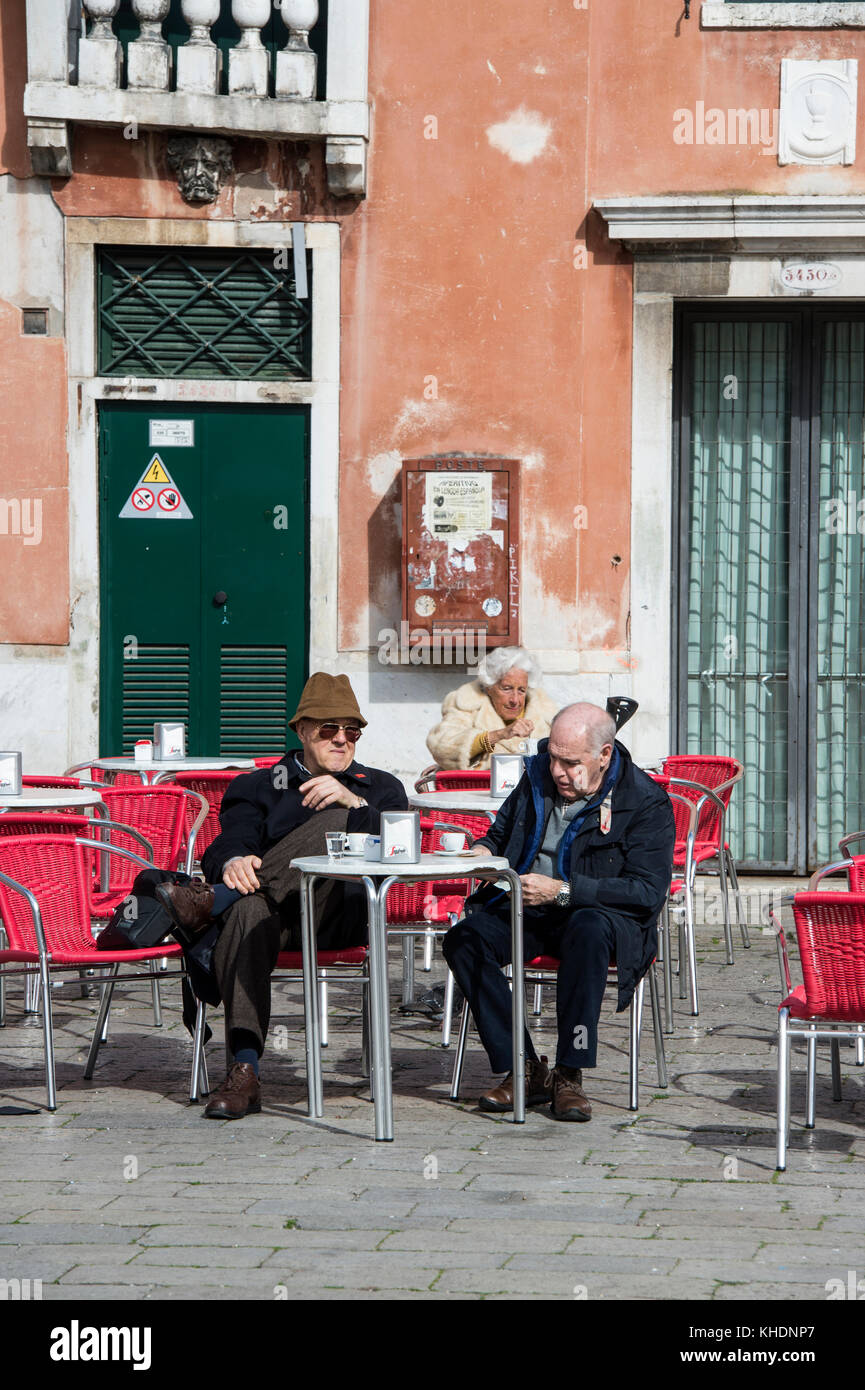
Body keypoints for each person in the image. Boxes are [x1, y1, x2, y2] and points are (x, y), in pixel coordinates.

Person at [157, 672, 408, 1120]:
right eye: (329, 730)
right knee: (249, 908)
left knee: (335, 823)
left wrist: (354, 805)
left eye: (352, 731)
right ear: (301, 731)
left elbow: (399, 849)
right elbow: (226, 844)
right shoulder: (256, 785)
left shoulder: (380, 788)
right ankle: (245, 1071)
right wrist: (233, 862)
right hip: (274, 921)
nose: (342, 740)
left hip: (340, 913)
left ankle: (211, 902)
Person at [442, 702, 675, 1122]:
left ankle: (570, 1072)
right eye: (553, 757)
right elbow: (499, 832)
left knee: (586, 930)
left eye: (571, 763)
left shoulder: (644, 801)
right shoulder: (534, 775)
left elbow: (646, 891)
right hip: (527, 906)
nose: (558, 772)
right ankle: (526, 1067)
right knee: (464, 938)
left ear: (604, 755)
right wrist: (481, 853)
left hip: (599, 917)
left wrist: (563, 891)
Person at [425, 646, 558, 770]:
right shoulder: (467, 703)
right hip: (477, 791)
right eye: (507, 689)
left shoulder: (545, 711)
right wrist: (499, 735)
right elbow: (442, 746)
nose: (515, 700)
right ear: (489, 687)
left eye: (522, 690)